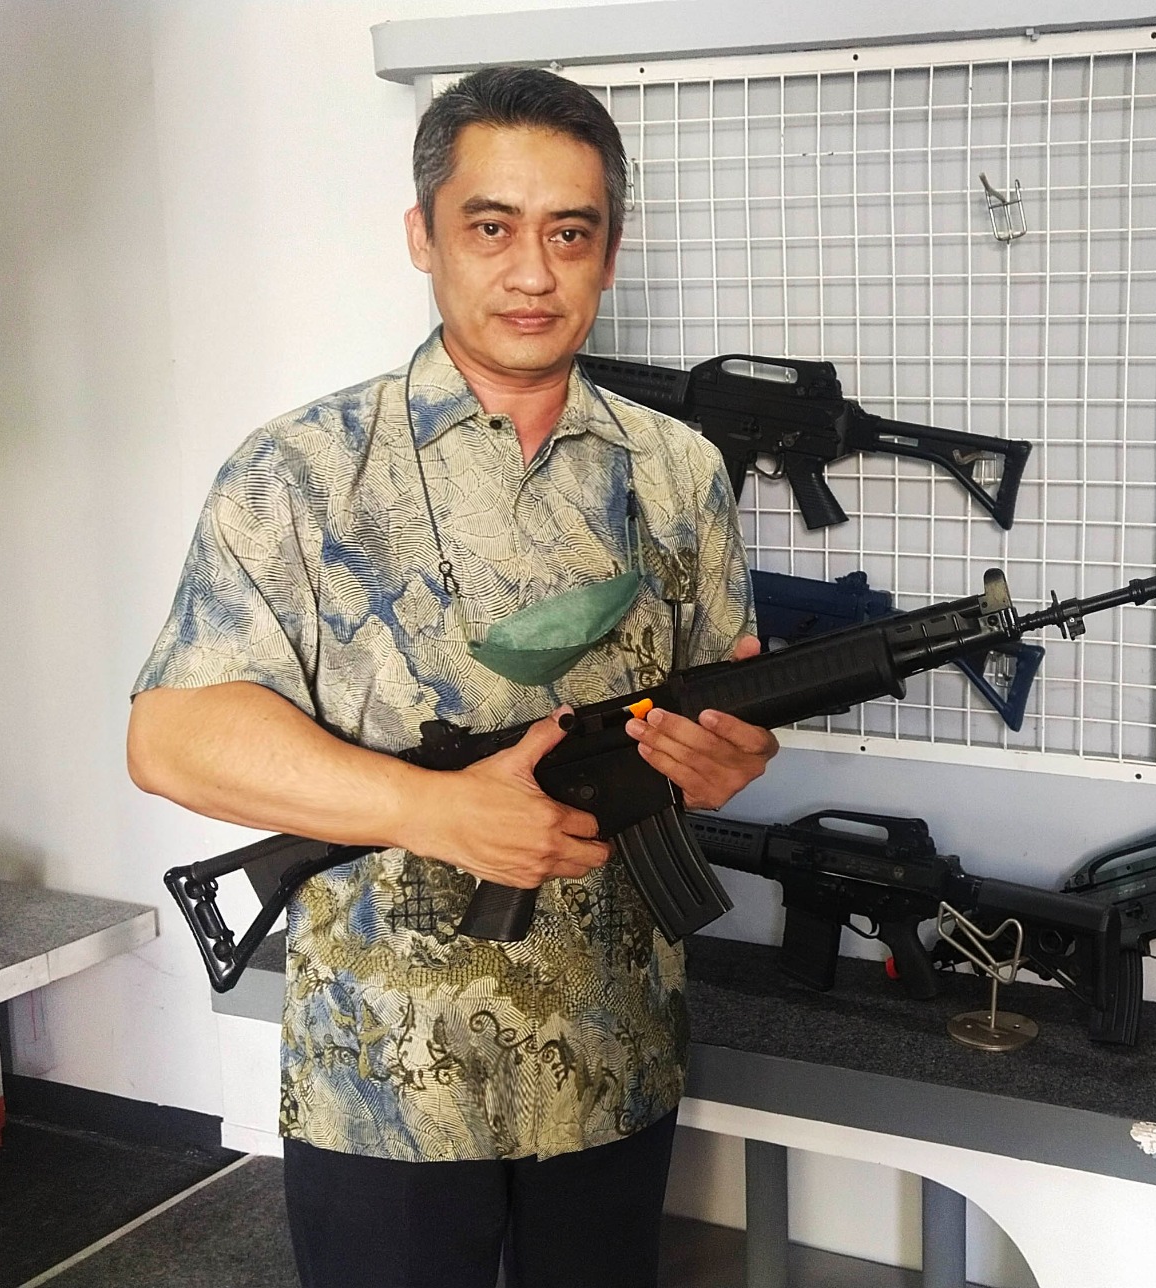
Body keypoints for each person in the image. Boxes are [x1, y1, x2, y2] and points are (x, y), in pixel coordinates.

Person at [127, 66, 777, 1288]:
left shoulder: (680, 473)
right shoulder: (300, 470)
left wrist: (724, 762)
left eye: (568, 234)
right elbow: (174, 735)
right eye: (491, 227)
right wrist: (435, 809)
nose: (532, 272)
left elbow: (709, 722)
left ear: (609, 254)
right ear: (421, 235)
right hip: (384, 1077)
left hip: (610, 1053)